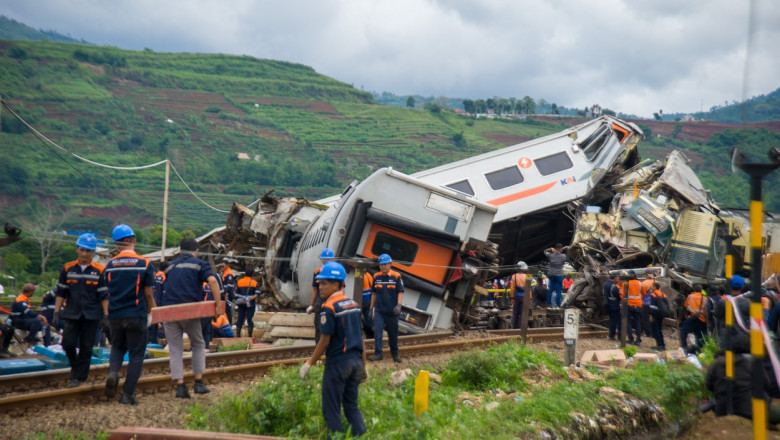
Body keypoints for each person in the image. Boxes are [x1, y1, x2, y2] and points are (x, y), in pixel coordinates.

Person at [299, 261, 367, 438]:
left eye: (324, 283)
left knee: (332, 410)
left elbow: (324, 341)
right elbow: (361, 339)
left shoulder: (328, 308)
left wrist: (308, 363)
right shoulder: (354, 305)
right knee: (352, 408)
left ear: (337, 284)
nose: (320, 286)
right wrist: (364, 366)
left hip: (338, 364)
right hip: (356, 363)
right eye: (319, 283)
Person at [99, 224, 156, 405]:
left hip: (115, 315)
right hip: (136, 315)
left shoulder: (108, 266)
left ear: (117, 245)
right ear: (133, 240)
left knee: (117, 347)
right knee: (136, 355)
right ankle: (127, 394)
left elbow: (105, 293)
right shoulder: (145, 264)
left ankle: (113, 373)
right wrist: (152, 311)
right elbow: (148, 294)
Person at [162, 238, 222, 398]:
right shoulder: (199, 264)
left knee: (175, 349)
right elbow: (213, 281)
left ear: (180, 251)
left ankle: (180, 386)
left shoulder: (171, 266)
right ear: (196, 251)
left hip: (168, 311)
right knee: (198, 343)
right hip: (188, 310)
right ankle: (198, 383)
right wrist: (218, 305)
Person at [53, 233, 106, 388]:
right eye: (82, 250)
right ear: (77, 249)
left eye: (88, 251)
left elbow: (104, 295)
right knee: (68, 343)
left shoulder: (99, 270)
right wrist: (56, 312)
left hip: (92, 314)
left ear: (93, 252)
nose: (84, 253)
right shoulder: (68, 268)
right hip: (72, 313)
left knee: (86, 347)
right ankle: (76, 367)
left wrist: (106, 316)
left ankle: (78, 377)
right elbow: (61, 292)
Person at [368, 254, 403, 363]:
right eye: (381, 264)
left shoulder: (396, 276)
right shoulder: (376, 276)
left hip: (392, 312)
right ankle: (378, 354)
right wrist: (371, 308)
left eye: (385, 264)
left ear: (390, 264)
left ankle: (395, 354)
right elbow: (373, 293)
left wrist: (399, 305)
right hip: (379, 311)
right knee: (378, 332)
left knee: (393, 334)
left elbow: (400, 291)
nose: (382, 267)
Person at [308, 248, 336, 343]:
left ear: (332, 260)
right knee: (319, 327)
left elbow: (341, 289)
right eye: (324, 259)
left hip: (332, 304)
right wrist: (311, 305)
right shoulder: (317, 272)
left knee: (333, 326)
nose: (326, 261)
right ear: (321, 260)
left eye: (328, 259)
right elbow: (314, 289)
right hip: (320, 304)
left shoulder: (336, 271)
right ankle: (319, 349)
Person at [680, 284, 708, 353]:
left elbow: (686, 306)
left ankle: (684, 347)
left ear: (694, 290)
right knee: (699, 335)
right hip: (701, 319)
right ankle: (699, 350)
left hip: (692, 318)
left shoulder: (690, 296)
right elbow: (706, 310)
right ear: (701, 291)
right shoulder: (705, 298)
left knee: (683, 332)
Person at [148, 261, 168, 344]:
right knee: (155, 328)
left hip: (150, 304)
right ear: (166, 269)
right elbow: (163, 294)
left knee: (151, 326)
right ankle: (153, 343)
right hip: (158, 305)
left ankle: (150, 343)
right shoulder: (164, 277)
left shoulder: (153, 277)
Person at [235, 274, 260, 338]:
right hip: (250, 304)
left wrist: (241, 299)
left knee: (240, 318)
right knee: (250, 319)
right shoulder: (254, 283)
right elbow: (257, 293)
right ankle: (250, 335)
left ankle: (238, 334)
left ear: (245, 274)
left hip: (241, 304)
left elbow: (236, 294)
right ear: (252, 275)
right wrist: (250, 299)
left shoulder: (239, 282)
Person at [544, 243, 567, 307]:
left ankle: (549, 303)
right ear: (560, 249)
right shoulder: (563, 256)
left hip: (551, 274)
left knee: (550, 289)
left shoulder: (550, 255)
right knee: (558, 290)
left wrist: (550, 249)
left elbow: (544, 251)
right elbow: (568, 251)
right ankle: (558, 304)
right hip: (559, 274)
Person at [647, 281, 669, 350]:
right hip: (661, 314)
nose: (651, 287)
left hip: (655, 314)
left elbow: (652, 307)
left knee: (656, 330)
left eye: (652, 286)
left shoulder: (653, 295)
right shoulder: (664, 294)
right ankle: (662, 345)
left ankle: (659, 345)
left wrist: (651, 315)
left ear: (655, 287)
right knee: (659, 329)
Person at [624, 271, 643, 345]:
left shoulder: (626, 283)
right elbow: (643, 293)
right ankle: (638, 339)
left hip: (629, 305)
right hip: (638, 305)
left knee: (628, 322)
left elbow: (623, 294)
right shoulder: (640, 283)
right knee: (638, 322)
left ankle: (630, 339)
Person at [509, 261, 529, 329]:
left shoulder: (514, 276)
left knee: (515, 312)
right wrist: (530, 299)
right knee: (522, 312)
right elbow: (529, 289)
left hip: (516, 296)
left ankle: (515, 327)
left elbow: (512, 288)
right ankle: (521, 326)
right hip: (524, 297)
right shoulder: (527, 276)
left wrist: (512, 298)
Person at [217, 258, 236, 326]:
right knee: (225, 310)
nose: (221, 268)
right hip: (225, 295)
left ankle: (229, 324)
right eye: (221, 266)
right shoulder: (224, 273)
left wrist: (226, 295)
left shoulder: (229, 274)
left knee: (227, 310)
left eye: (223, 266)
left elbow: (229, 286)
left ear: (227, 265)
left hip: (228, 296)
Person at [603, 274, 622, 340]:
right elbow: (617, 295)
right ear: (614, 278)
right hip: (614, 305)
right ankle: (620, 336)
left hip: (607, 304)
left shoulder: (605, 284)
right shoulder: (613, 286)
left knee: (611, 320)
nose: (618, 279)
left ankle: (611, 335)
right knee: (618, 320)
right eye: (617, 278)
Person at [640, 271, 655, 338]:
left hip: (646, 303)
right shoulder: (656, 282)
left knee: (645, 319)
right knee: (652, 318)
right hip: (654, 303)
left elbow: (642, 294)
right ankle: (653, 333)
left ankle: (648, 333)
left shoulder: (644, 283)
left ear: (646, 275)